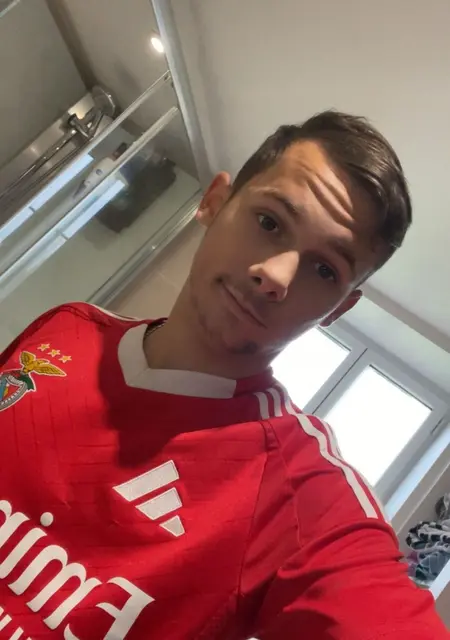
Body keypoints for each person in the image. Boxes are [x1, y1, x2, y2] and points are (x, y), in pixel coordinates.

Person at [0, 111, 447, 640]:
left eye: (325, 270)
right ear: (214, 201)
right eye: (269, 222)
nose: (276, 276)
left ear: (338, 309)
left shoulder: (301, 496)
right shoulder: (66, 329)